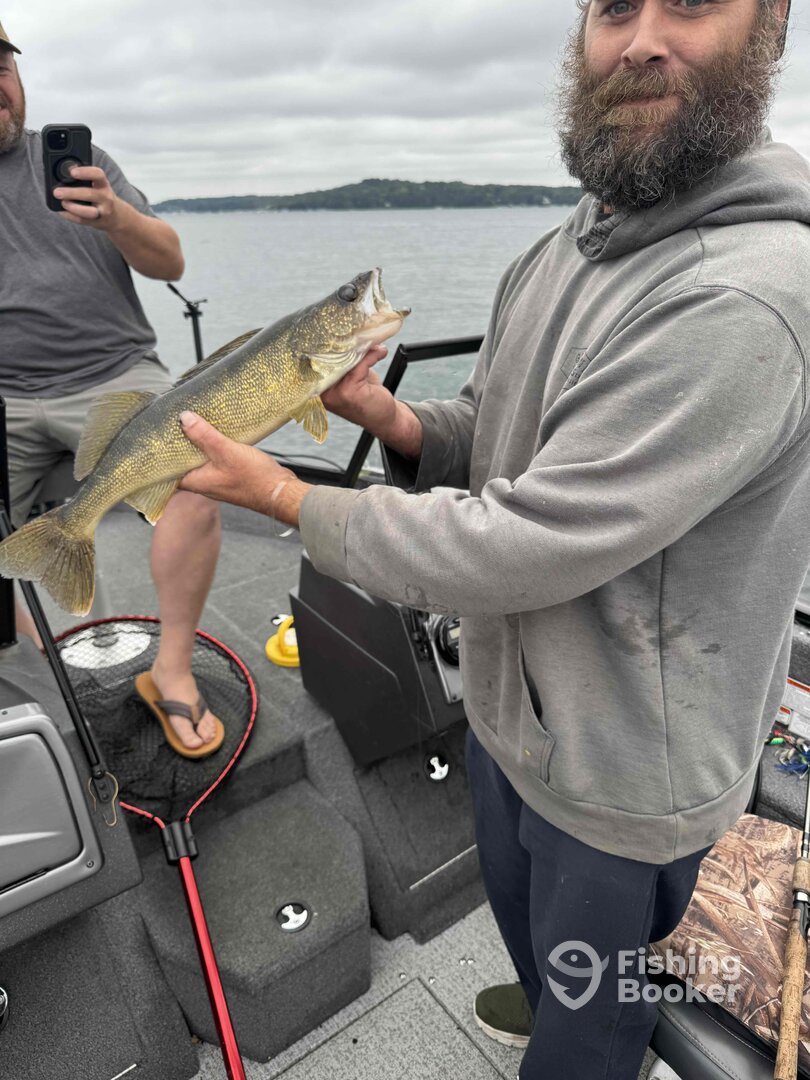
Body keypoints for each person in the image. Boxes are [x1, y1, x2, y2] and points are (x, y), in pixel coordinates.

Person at [178, 0, 809, 1075]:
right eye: (614, 7)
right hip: (512, 722)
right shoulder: (558, 249)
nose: (642, 38)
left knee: (595, 1023)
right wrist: (395, 421)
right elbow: (498, 432)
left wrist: (285, 497)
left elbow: (526, 539)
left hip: (620, 782)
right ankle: (549, 992)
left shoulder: (744, 297)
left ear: (773, 25)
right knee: (534, 943)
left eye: (692, 1)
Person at [0, 23, 223, 757]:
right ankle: (45, 652)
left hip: (116, 374)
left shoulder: (81, 163)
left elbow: (171, 262)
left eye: (1, 66)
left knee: (196, 477)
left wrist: (117, 217)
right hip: (6, 393)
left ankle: (172, 670)